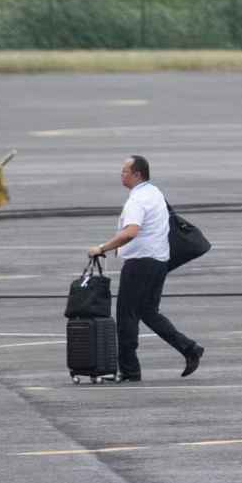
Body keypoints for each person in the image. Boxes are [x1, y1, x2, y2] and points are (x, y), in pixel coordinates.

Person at [87, 155, 202, 382]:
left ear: (137, 174)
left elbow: (130, 232)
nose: (121, 175)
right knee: (149, 313)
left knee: (126, 316)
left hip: (140, 264)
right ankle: (189, 348)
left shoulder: (137, 201)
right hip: (159, 262)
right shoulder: (155, 193)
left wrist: (102, 248)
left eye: (125, 171)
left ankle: (130, 371)